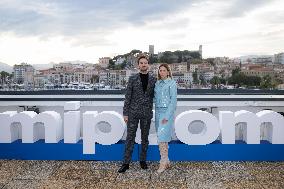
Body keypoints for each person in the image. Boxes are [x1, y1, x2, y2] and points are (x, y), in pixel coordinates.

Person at [118, 55, 157, 173]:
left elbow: (157, 94)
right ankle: (126, 163)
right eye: (141, 63)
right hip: (133, 113)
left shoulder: (153, 79)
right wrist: (125, 113)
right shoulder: (132, 78)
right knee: (130, 138)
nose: (143, 64)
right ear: (138, 65)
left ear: (148, 65)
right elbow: (127, 97)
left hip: (146, 113)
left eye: (145, 63)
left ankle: (143, 160)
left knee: (145, 138)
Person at [154, 63, 177, 173]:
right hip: (157, 112)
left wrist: (167, 116)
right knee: (161, 136)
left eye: (163, 70)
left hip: (166, 113)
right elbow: (154, 98)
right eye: (160, 70)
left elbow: (173, 101)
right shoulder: (157, 83)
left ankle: (162, 162)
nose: (161, 72)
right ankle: (167, 160)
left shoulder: (172, 83)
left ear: (168, 72)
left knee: (162, 138)